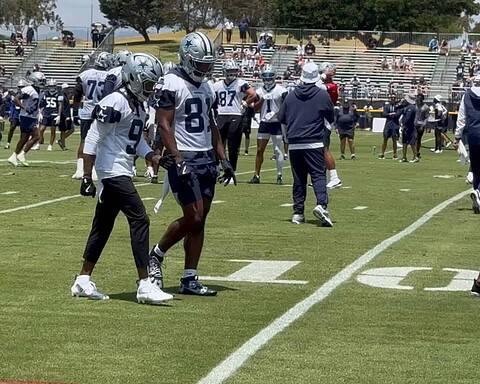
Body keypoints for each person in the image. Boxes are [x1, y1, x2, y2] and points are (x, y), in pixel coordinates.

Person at [70, 53, 173, 304]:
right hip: (111, 170)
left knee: (102, 226)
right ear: (133, 78)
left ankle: (83, 280)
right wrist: (87, 175)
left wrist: (153, 156)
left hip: (121, 168)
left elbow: (134, 140)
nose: (150, 89)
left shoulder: (137, 103)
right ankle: (144, 284)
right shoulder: (115, 101)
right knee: (140, 219)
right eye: (147, 84)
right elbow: (93, 136)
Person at [150, 32, 236, 296]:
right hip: (184, 156)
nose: (205, 68)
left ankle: (190, 277)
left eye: (208, 64)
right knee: (193, 216)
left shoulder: (207, 87)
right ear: (187, 59)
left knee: (200, 221)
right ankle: (156, 255)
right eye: (200, 64)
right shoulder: (171, 83)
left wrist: (224, 159)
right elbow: (163, 124)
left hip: (206, 157)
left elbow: (211, 125)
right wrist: (175, 158)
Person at [278, 62, 334, 227]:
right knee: (318, 175)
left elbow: (281, 118)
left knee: (299, 179)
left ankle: (298, 213)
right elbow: (330, 118)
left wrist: (287, 139)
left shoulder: (290, 95)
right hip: (314, 142)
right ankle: (322, 205)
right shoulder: (322, 95)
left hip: (295, 143)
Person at [72, 52, 111, 180]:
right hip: (102, 112)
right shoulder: (110, 76)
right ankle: (93, 169)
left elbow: (77, 94)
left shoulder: (85, 74)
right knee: (99, 141)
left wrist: (75, 111)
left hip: (87, 112)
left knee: (84, 140)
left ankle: (79, 169)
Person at [213, 59, 256, 172]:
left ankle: (231, 170)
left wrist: (245, 103)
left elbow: (253, 94)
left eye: (234, 70)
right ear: (224, 71)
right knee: (218, 144)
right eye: (229, 70)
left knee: (233, 146)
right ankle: (217, 168)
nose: (232, 73)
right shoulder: (217, 85)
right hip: (221, 115)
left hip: (235, 115)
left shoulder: (241, 83)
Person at [248, 66, 288, 185]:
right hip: (264, 122)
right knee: (260, 150)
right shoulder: (259, 91)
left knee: (277, 150)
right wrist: (262, 100)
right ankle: (256, 175)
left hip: (276, 123)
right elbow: (254, 108)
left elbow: (287, 107)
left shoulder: (281, 90)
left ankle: (279, 175)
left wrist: (280, 115)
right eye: (265, 77)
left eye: (269, 76)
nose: (267, 79)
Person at [454, 74, 480, 216]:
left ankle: (476, 198)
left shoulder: (467, 96)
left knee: (476, 169)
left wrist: (457, 137)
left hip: (473, 135)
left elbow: (461, 117)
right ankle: (478, 192)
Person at [7, 72, 45, 167]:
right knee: (36, 136)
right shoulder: (29, 89)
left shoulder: (39, 91)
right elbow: (16, 99)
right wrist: (24, 107)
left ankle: (14, 156)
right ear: (35, 80)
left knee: (24, 138)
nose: (43, 82)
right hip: (26, 116)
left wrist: (39, 113)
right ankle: (21, 154)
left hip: (32, 116)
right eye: (41, 80)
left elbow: (38, 104)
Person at [317, 62, 342, 189]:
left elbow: (315, 87)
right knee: (318, 150)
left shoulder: (332, 86)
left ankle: (334, 177)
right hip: (318, 118)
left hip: (325, 119)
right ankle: (320, 178)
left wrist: (319, 77)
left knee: (324, 148)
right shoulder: (323, 84)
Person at [38, 79, 62, 151]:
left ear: (55, 86)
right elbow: (42, 104)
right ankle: (40, 140)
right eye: (50, 86)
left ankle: (50, 145)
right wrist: (40, 113)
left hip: (54, 113)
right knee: (41, 129)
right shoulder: (45, 93)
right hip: (46, 113)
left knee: (53, 130)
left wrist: (59, 115)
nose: (51, 87)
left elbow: (60, 105)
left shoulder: (59, 94)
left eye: (53, 86)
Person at [379, 94, 400, 159]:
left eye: (394, 98)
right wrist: (390, 114)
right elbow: (384, 114)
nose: (393, 99)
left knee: (394, 140)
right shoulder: (386, 106)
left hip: (395, 124)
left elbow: (398, 114)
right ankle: (382, 153)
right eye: (391, 98)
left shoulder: (398, 106)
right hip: (388, 124)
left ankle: (395, 154)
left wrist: (393, 114)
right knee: (385, 139)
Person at [399, 93, 418, 163]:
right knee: (404, 142)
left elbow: (408, 118)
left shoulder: (411, 108)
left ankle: (415, 157)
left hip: (410, 127)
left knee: (412, 142)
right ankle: (404, 157)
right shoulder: (407, 107)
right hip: (406, 127)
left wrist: (404, 124)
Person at [4, 83, 23, 149]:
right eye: (20, 87)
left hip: (23, 114)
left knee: (23, 130)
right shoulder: (15, 96)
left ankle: (21, 144)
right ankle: (8, 143)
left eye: (22, 87)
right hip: (15, 114)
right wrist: (11, 116)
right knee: (12, 128)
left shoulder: (26, 95)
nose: (21, 88)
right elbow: (12, 106)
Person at [57, 83, 74, 150]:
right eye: (66, 88)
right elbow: (61, 107)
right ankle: (62, 144)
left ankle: (62, 142)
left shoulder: (65, 95)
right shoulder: (62, 96)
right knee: (64, 130)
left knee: (69, 130)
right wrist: (64, 116)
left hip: (67, 115)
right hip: (64, 116)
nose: (67, 89)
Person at [414, 93, 430, 159]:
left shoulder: (425, 107)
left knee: (418, 139)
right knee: (414, 139)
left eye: (420, 98)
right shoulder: (415, 105)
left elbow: (426, 117)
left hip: (420, 124)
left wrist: (423, 125)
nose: (418, 99)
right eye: (418, 97)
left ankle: (417, 151)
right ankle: (415, 152)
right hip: (414, 124)